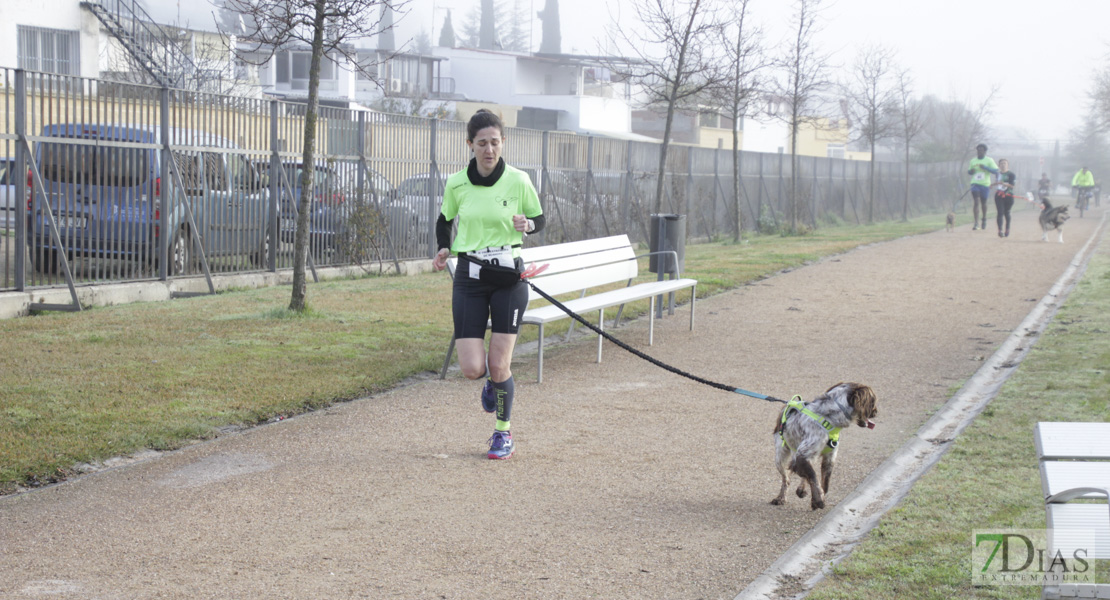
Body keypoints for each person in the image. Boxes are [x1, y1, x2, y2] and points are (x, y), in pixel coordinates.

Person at [431, 109, 545, 460]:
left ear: (503, 142)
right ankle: (490, 383)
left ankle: (502, 433)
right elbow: (444, 220)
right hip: (470, 276)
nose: (489, 149)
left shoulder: (519, 180)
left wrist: (528, 225)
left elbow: (539, 219)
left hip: (509, 277)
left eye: (495, 142)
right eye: (482, 143)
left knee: (500, 364)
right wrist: (443, 247)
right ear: (470, 145)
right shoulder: (456, 183)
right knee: (473, 369)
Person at [967, 143, 999, 230]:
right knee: (976, 201)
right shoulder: (973, 161)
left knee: (983, 202)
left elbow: (996, 171)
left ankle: (984, 218)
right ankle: (976, 223)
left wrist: (986, 168)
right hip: (975, 184)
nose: (979, 152)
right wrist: (972, 171)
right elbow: (969, 172)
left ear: (985, 151)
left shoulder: (989, 160)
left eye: (981, 150)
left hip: (985, 184)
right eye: (978, 150)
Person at [993, 159, 1017, 238]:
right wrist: (992, 185)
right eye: (1001, 163)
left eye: (1005, 163)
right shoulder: (997, 174)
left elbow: (1012, 185)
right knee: (1000, 212)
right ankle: (1000, 230)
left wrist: (1004, 184)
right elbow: (997, 183)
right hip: (999, 195)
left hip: (1008, 195)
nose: (1003, 165)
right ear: (999, 165)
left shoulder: (1011, 174)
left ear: (1007, 165)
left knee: (1007, 212)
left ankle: (1007, 228)